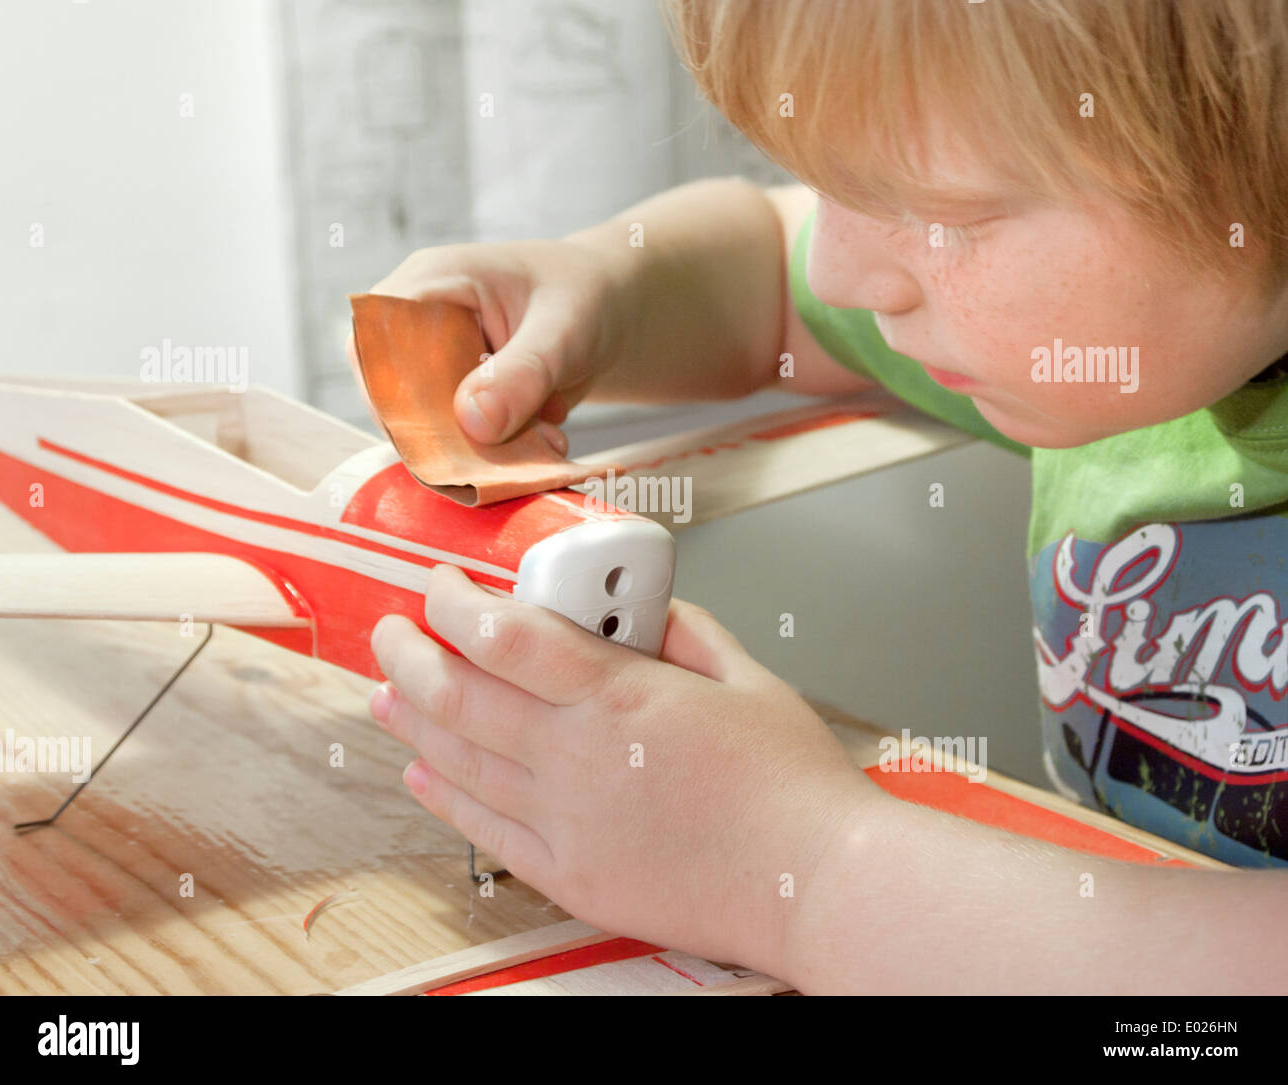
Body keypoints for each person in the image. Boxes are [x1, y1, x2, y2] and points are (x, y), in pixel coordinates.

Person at [354, 0, 1288, 993]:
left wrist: (804, 870)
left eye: (945, 214)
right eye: (834, 181)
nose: (842, 272)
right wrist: (604, 287)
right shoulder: (1136, 347)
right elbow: (773, 266)